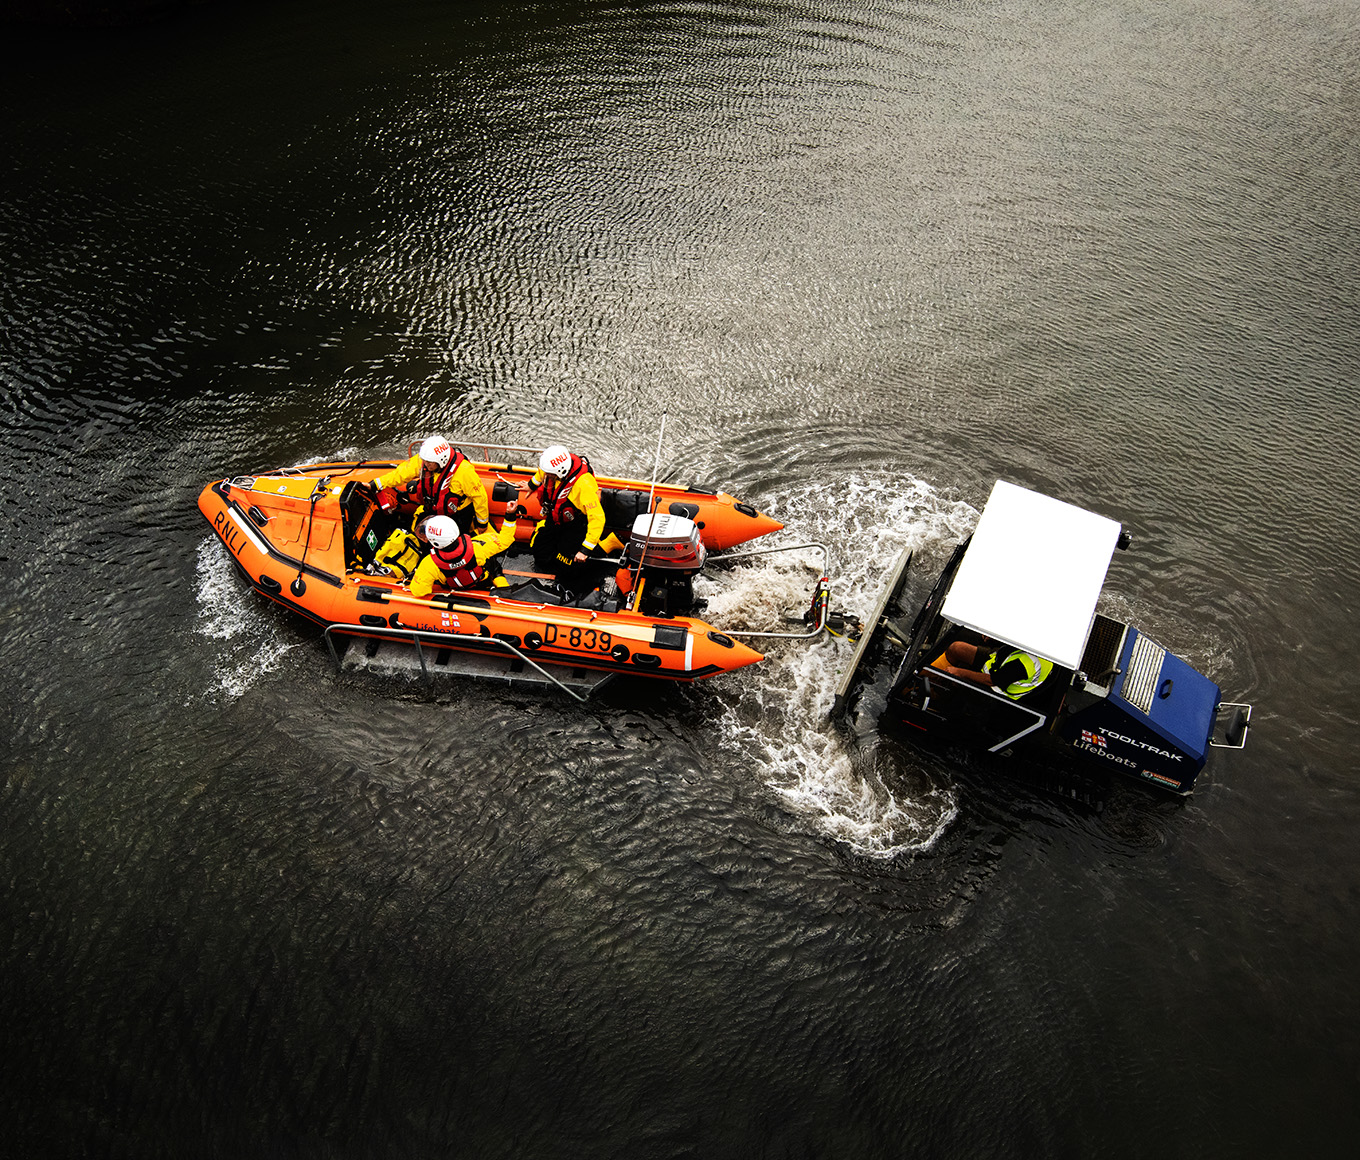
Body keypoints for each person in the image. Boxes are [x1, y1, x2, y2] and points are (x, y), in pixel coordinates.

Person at [520, 443, 606, 587]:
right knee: (540, 551)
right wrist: (531, 485)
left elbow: (597, 517)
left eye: (549, 474)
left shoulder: (583, 484)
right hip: (555, 519)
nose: (546, 475)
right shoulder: (551, 470)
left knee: (567, 565)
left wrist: (585, 550)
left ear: (560, 471)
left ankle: (605, 546)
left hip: (576, 524)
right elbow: (541, 474)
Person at [369, 435, 489, 537]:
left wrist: (482, 524)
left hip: (457, 515)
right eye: (424, 461)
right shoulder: (426, 461)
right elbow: (401, 474)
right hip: (433, 508)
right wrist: (376, 484)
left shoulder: (464, 471)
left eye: (429, 462)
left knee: (452, 539)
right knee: (416, 532)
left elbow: (479, 497)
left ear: (442, 460)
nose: (425, 465)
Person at [408, 515, 517, 598]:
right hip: (482, 583)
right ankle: (502, 586)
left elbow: (419, 591)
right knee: (493, 564)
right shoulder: (479, 546)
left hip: (455, 587)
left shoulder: (429, 564)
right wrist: (510, 516)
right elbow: (505, 539)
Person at [937, 640, 1053, 699]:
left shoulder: (1026, 664)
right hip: (997, 661)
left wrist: (959, 672)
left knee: (952, 683)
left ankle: (933, 689)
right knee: (957, 648)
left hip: (995, 689)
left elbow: (992, 680)